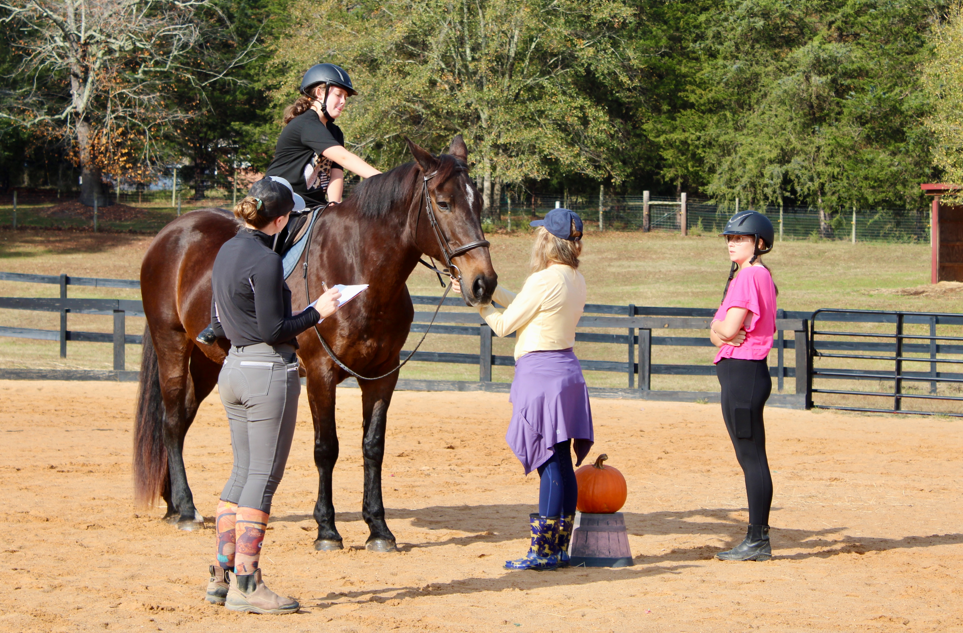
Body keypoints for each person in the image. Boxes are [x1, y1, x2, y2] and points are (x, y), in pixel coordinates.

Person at [203, 177, 342, 614]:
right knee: (262, 479)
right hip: (265, 373)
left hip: (233, 369)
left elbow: (226, 318)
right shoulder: (266, 261)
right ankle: (247, 584)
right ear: (280, 220)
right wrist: (317, 311)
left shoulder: (227, 250)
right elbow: (273, 329)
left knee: (242, 473)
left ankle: (223, 574)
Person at [196, 62, 379, 346]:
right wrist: (382, 179)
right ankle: (218, 319)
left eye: (346, 97)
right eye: (338, 95)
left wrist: (334, 204)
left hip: (313, 206)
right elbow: (343, 158)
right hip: (278, 200)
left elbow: (336, 172)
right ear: (319, 93)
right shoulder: (305, 124)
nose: (343, 102)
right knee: (251, 250)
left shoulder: (335, 131)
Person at [453, 208, 593, 571]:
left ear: (548, 240)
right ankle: (559, 548)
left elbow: (503, 325)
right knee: (561, 461)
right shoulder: (575, 278)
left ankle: (542, 552)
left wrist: (477, 302)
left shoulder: (543, 280)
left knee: (549, 462)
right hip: (566, 371)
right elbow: (525, 302)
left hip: (540, 375)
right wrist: (489, 292)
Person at [708, 210, 778, 562]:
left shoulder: (750, 275)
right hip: (741, 374)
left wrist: (720, 329)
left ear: (759, 243)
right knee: (749, 455)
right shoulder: (751, 275)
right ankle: (756, 538)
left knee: (752, 457)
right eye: (730, 238)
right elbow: (717, 333)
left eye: (740, 238)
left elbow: (724, 327)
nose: (732, 244)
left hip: (744, 373)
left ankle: (758, 540)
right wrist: (720, 330)